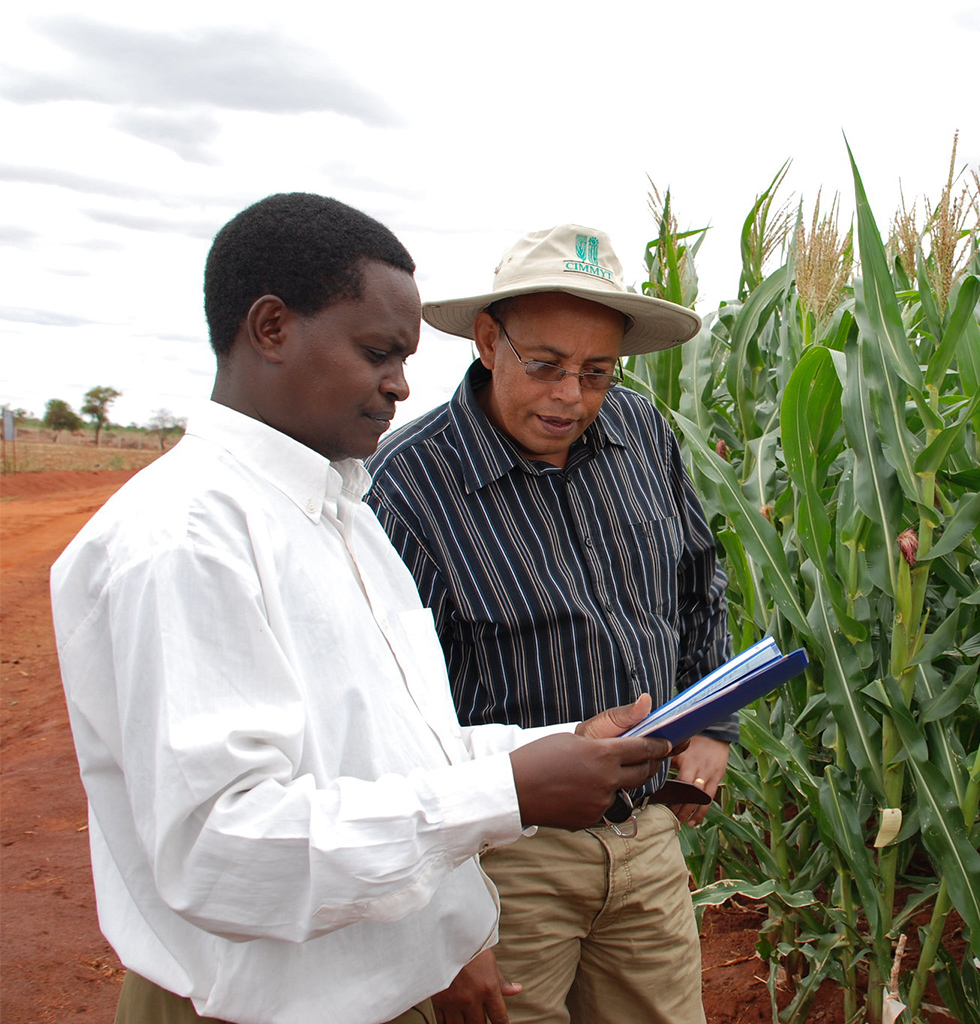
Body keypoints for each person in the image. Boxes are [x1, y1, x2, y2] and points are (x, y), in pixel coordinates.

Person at [50, 195, 675, 1024]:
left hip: (374, 978)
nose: (401, 384)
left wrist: (543, 749)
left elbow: (392, 755)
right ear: (270, 328)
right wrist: (509, 792)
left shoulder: (338, 511)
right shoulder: (185, 538)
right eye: (379, 352)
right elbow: (223, 848)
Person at [365, 224, 732, 1024]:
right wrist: (451, 926)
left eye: (596, 373)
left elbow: (701, 575)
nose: (571, 396)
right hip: (507, 861)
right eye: (547, 367)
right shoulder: (409, 487)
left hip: (646, 836)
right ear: (491, 342)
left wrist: (714, 724)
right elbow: (394, 721)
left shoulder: (641, 434)